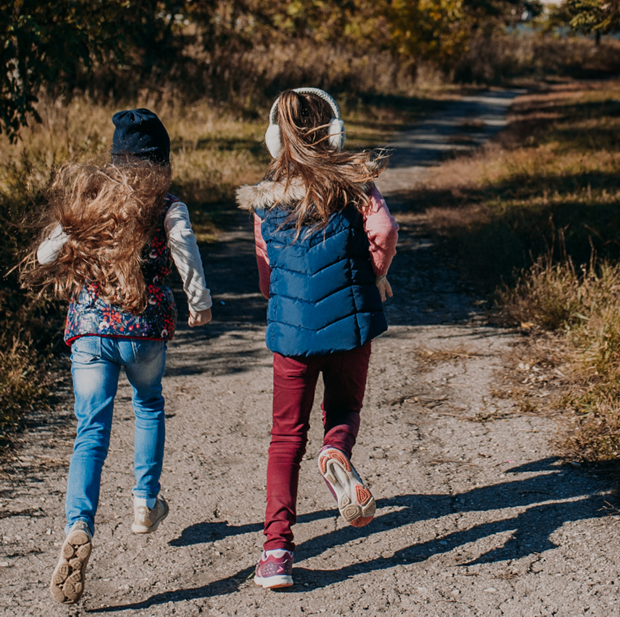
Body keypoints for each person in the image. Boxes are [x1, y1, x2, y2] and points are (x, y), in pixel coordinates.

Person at [25, 109, 213, 604]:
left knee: (91, 431)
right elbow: (185, 248)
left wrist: (70, 235)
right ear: (162, 162)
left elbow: (47, 256)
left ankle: (77, 525)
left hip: (90, 332)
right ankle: (143, 504)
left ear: (115, 160)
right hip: (144, 331)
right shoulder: (169, 206)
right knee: (148, 403)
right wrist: (200, 302)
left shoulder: (92, 201)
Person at [236, 87, 399, 590]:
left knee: (285, 438)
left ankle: (276, 552)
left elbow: (266, 274)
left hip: (291, 332)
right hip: (350, 323)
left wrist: (281, 295)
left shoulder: (265, 199)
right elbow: (386, 232)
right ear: (334, 132)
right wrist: (371, 274)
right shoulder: (355, 186)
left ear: (273, 139)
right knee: (344, 412)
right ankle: (337, 451)